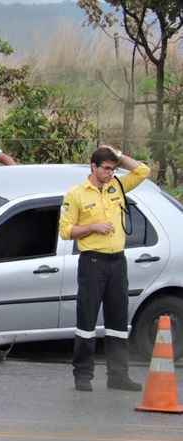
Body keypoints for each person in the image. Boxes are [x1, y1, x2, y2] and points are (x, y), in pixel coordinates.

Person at [58, 145, 151, 392]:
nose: (111, 173)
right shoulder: (76, 194)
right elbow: (66, 231)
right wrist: (92, 227)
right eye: (107, 168)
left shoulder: (117, 186)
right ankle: (83, 376)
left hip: (117, 262)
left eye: (113, 169)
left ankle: (118, 376)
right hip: (92, 262)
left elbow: (143, 171)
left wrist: (120, 156)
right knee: (86, 321)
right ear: (93, 167)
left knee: (118, 321)